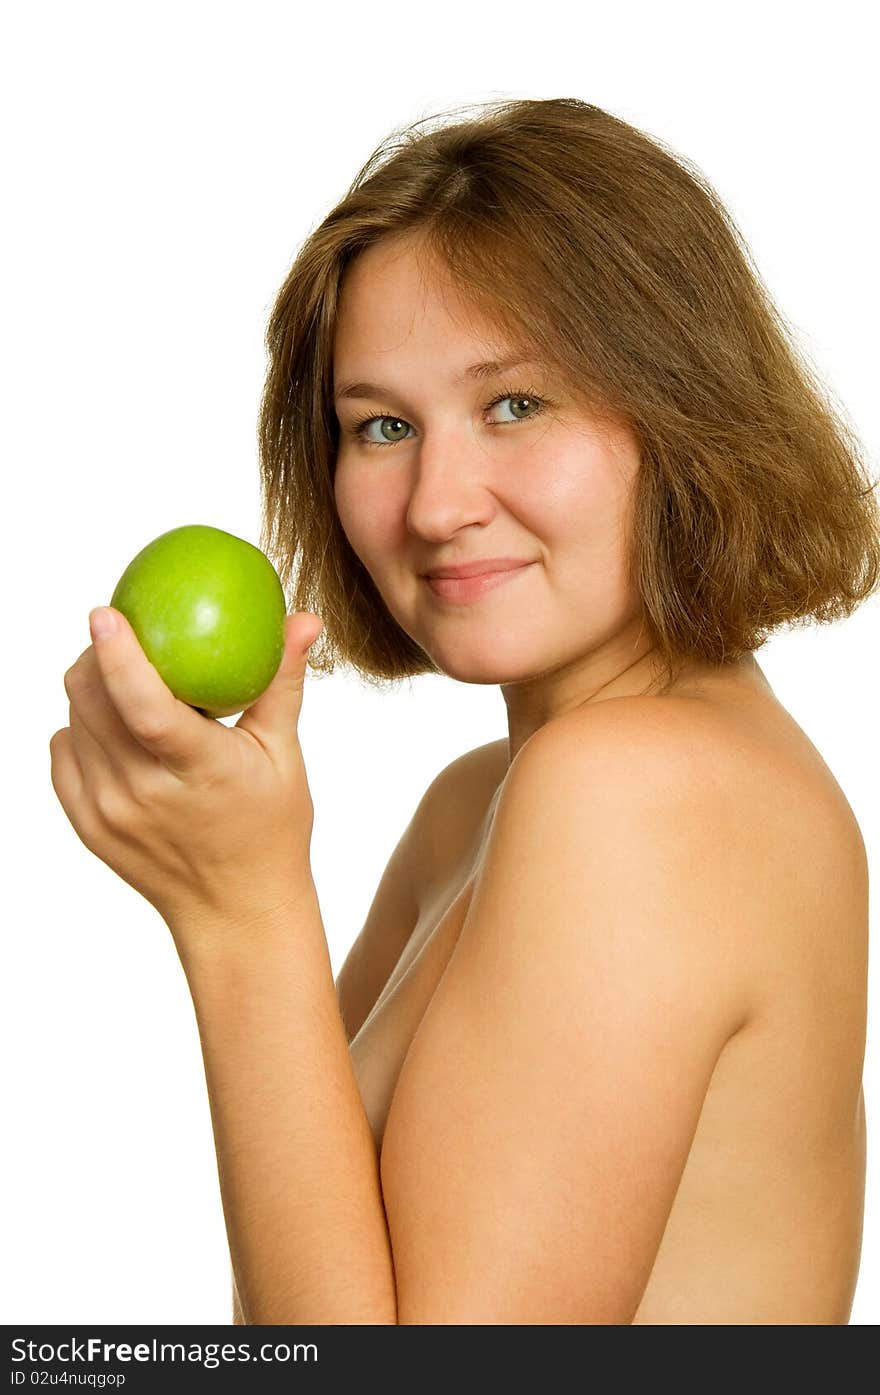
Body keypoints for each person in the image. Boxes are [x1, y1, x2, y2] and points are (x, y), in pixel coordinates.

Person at [54, 97, 877, 1325]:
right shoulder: (475, 807)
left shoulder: (636, 793)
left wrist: (240, 914)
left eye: (514, 406)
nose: (435, 505)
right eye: (382, 426)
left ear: (680, 414)